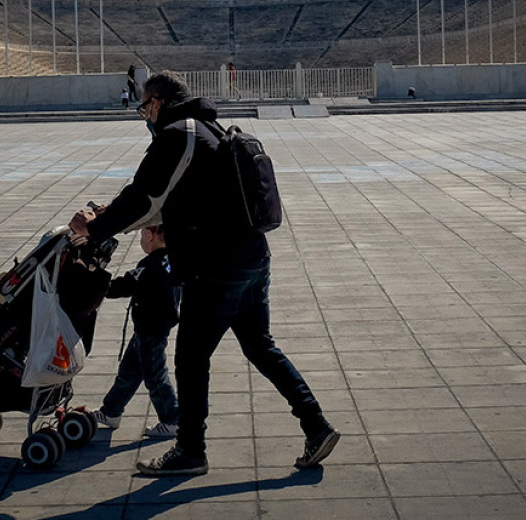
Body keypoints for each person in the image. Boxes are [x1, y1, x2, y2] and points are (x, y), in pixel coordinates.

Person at [69, 71, 339, 477]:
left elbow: (145, 195)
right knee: (260, 346)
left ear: (157, 102)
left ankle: (191, 451)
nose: (144, 116)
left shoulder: (178, 134)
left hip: (216, 267)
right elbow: (175, 198)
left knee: (191, 358)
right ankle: (316, 426)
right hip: (251, 257)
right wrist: (116, 217)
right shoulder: (207, 128)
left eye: (144, 107)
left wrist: (93, 228)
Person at [90, 224, 181, 439]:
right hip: (154, 327)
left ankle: (172, 420)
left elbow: (124, 285)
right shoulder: (172, 260)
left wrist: (97, 284)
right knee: (129, 372)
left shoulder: (150, 265)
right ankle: (110, 411)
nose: (141, 240)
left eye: (142, 235)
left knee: (155, 377)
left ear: (150, 235)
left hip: (150, 329)